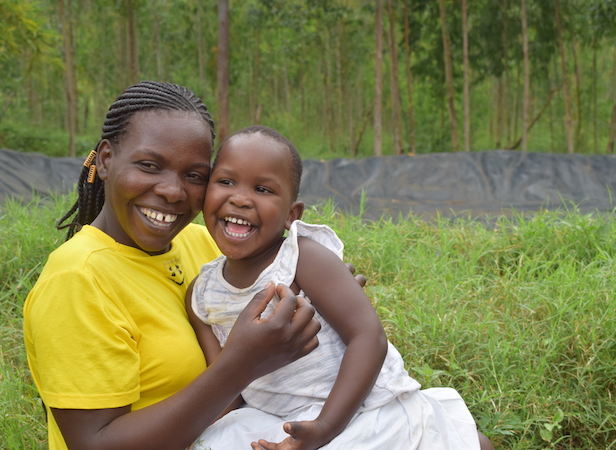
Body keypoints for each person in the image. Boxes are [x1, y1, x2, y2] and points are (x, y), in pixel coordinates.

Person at [23, 81, 327, 450]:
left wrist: (321, 289)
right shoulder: (78, 279)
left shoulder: (201, 244)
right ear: (105, 160)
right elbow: (93, 443)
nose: (172, 191)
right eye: (150, 166)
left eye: (195, 175)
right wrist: (240, 366)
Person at [187, 125, 495, 450]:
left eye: (263, 189)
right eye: (225, 182)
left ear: (292, 215)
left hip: (351, 406)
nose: (240, 198)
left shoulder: (303, 257)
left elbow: (367, 336)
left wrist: (324, 427)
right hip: (272, 416)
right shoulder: (201, 293)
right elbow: (226, 383)